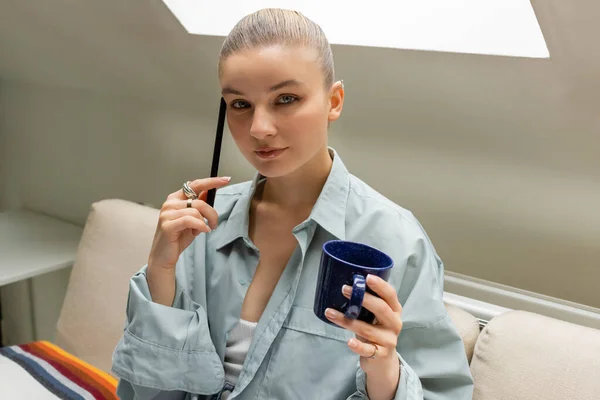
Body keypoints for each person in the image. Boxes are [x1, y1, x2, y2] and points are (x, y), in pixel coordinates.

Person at [112, 8, 474, 400]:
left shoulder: (397, 241)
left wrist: (384, 371)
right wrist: (160, 274)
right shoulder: (200, 224)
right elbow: (145, 394)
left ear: (333, 101)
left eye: (286, 99)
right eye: (239, 104)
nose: (259, 129)